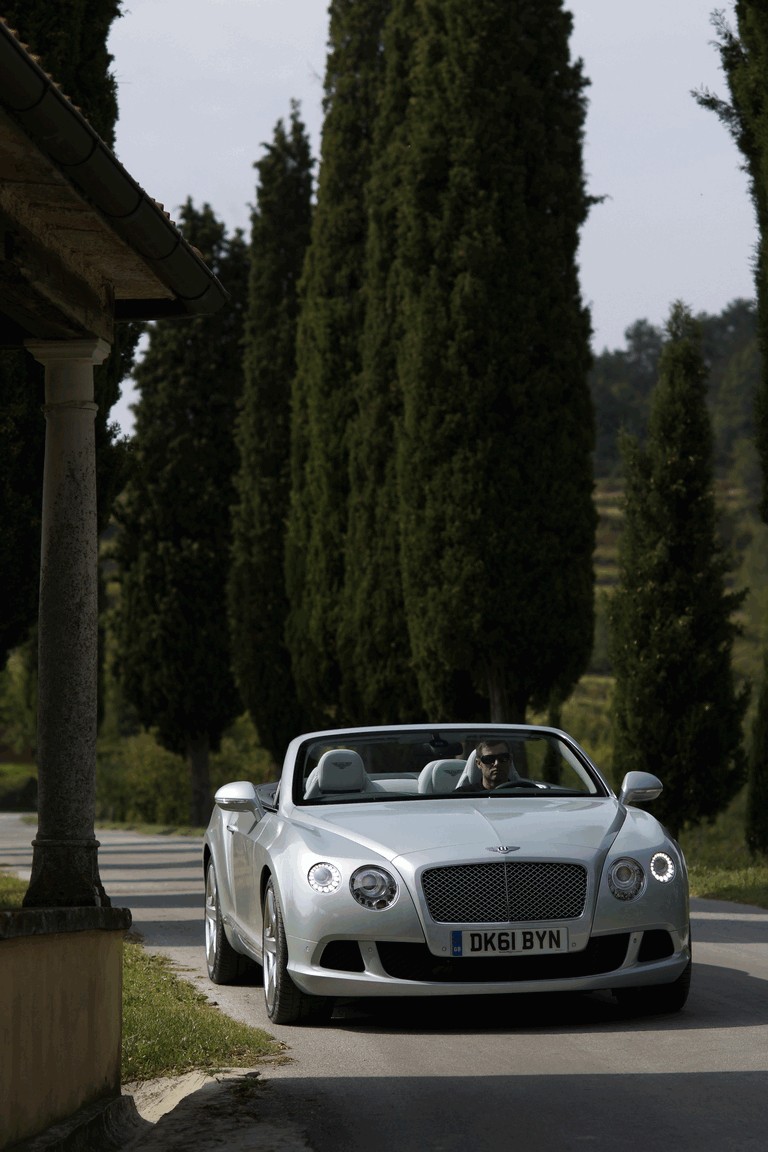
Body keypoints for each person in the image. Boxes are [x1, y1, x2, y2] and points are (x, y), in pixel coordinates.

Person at [455, 739, 524, 792]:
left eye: (503, 757)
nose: (496, 763)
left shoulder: (526, 794)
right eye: (489, 759)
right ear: (479, 763)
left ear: (510, 760)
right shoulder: (461, 796)